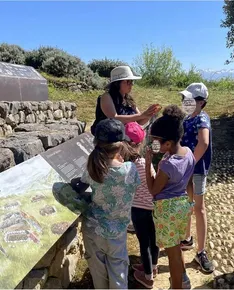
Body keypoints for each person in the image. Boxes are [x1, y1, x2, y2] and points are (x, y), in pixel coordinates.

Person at [80, 118, 141, 289]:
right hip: (117, 231)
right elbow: (134, 186)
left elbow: (85, 182)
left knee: (97, 271)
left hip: (93, 229)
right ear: (121, 144)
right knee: (118, 271)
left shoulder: (93, 167)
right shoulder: (130, 169)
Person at [145, 105, 195, 289]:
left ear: (168, 143)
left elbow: (153, 190)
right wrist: (190, 204)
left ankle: (177, 286)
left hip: (167, 211)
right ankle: (183, 280)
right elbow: (190, 183)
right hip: (183, 205)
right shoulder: (189, 153)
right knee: (177, 247)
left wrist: (148, 164)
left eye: (156, 141)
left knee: (172, 254)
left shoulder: (167, 165)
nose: (154, 144)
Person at [180, 83, 214, 273]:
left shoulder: (202, 118)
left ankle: (201, 251)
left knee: (199, 209)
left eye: (189, 100)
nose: (185, 102)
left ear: (200, 102)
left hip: (197, 169)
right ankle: (186, 239)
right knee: (187, 203)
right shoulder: (188, 118)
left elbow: (204, 142)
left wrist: (190, 162)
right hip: (187, 169)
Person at [124, 122, 160, 289]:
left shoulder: (128, 167)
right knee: (154, 241)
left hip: (138, 210)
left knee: (144, 243)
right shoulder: (145, 162)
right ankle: (153, 267)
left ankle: (147, 277)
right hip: (152, 207)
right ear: (140, 143)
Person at [90, 65, 159, 135]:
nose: (131, 85)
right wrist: (142, 115)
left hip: (122, 137)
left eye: (132, 82)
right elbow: (114, 118)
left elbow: (139, 121)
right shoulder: (106, 97)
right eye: (128, 82)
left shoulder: (128, 99)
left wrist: (149, 114)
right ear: (117, 83)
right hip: (107, 138)